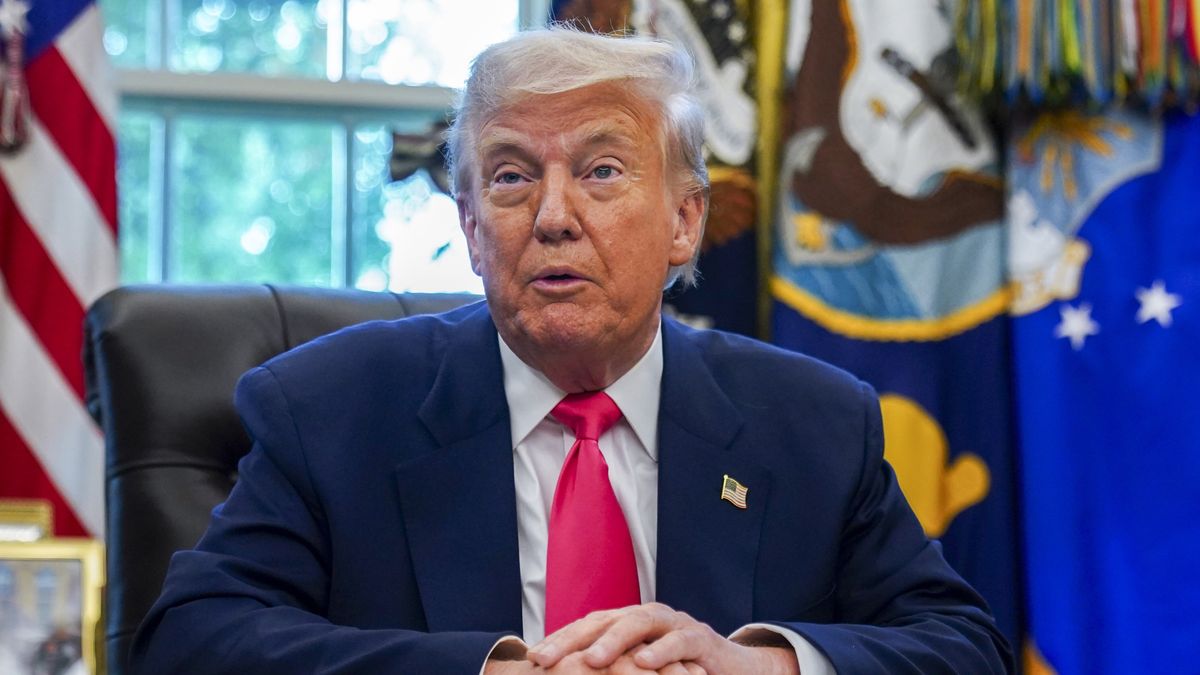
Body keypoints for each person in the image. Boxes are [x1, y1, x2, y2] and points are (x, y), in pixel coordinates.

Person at [131, 27, 1012, 674]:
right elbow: (187, 641)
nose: (553, 216)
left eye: (601, 171)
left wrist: (757, 664)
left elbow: (964, 647)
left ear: (684, 220)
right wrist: (488, 671)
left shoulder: (813, 422)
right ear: (472, 228)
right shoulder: (328, 409)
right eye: (512, 176)